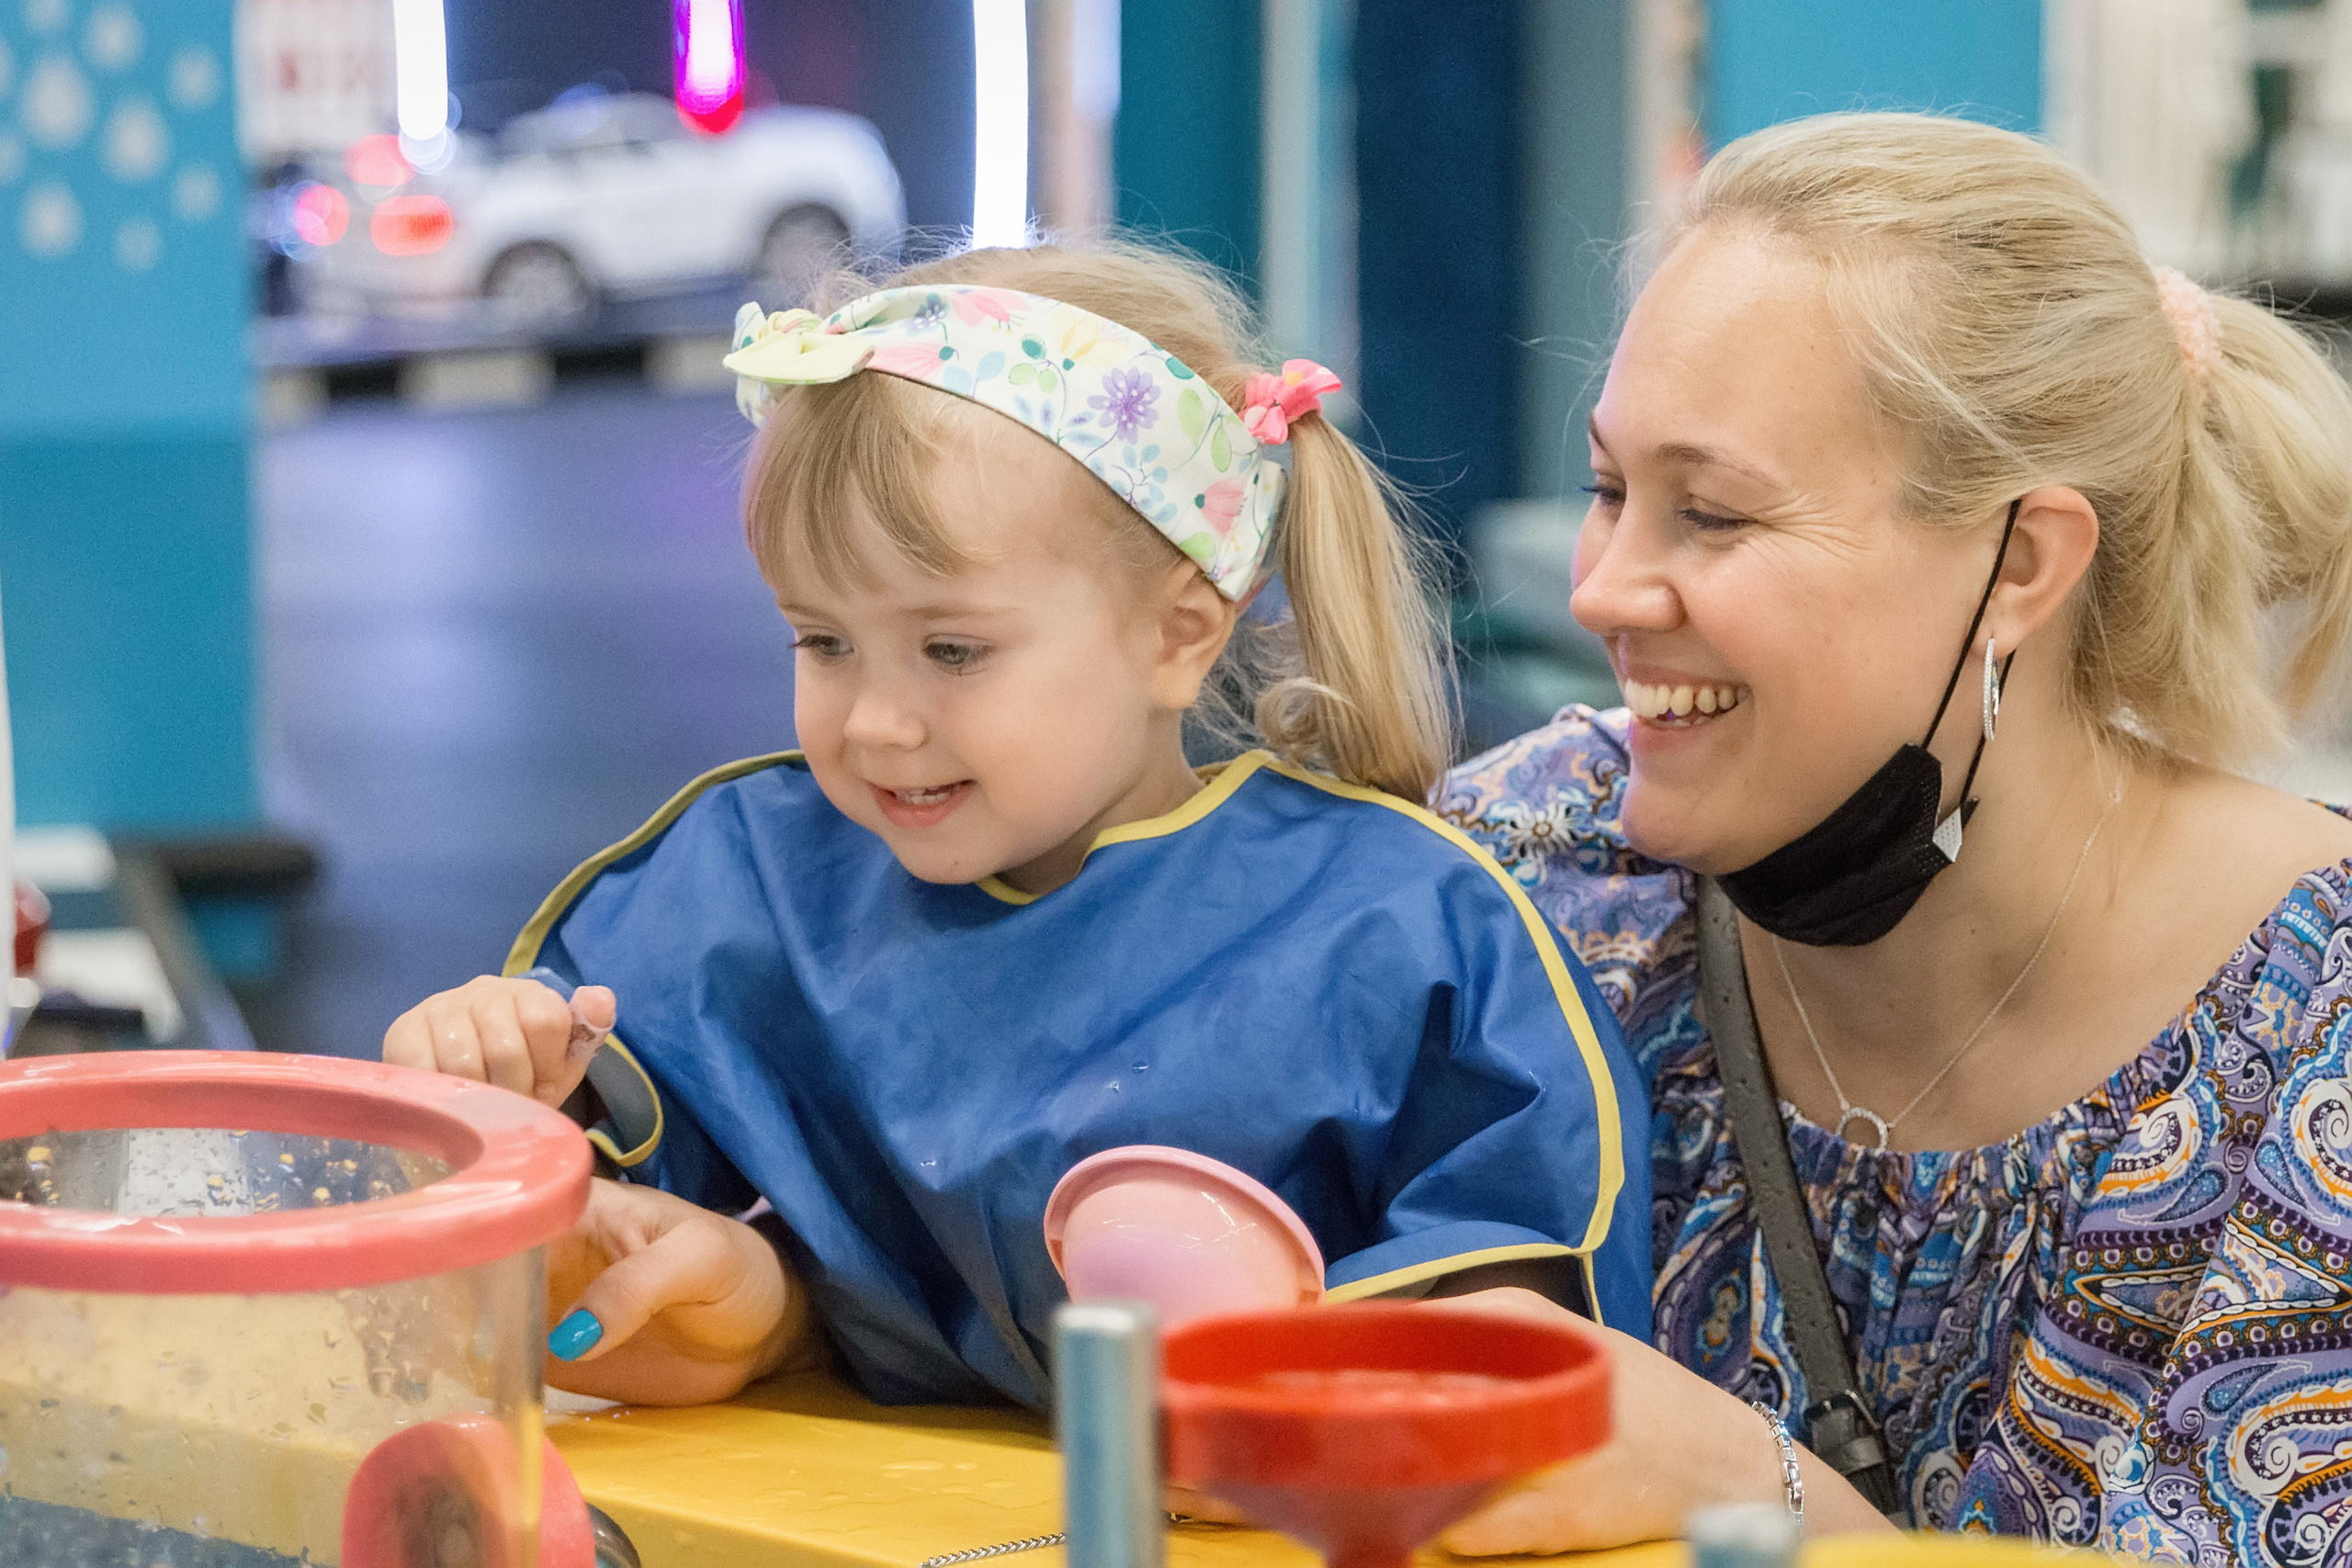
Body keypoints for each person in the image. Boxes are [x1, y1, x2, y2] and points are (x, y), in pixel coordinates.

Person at [384, 241, 1650, 1414]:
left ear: (1179, 631)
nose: (876, 721)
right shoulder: (752, 886)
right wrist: (498, 1089)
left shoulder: (1403, 932)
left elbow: (1528, 1332)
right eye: (821, 640)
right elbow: (588, 1173)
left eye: (951, 648)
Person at [1434, 110, 2352, 1559]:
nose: (1606, 590)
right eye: (1614, 491)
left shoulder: (2316, 1042)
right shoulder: (1529, 871)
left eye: (1714, 513)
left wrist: (1769, 1503)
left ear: (2023, 564)